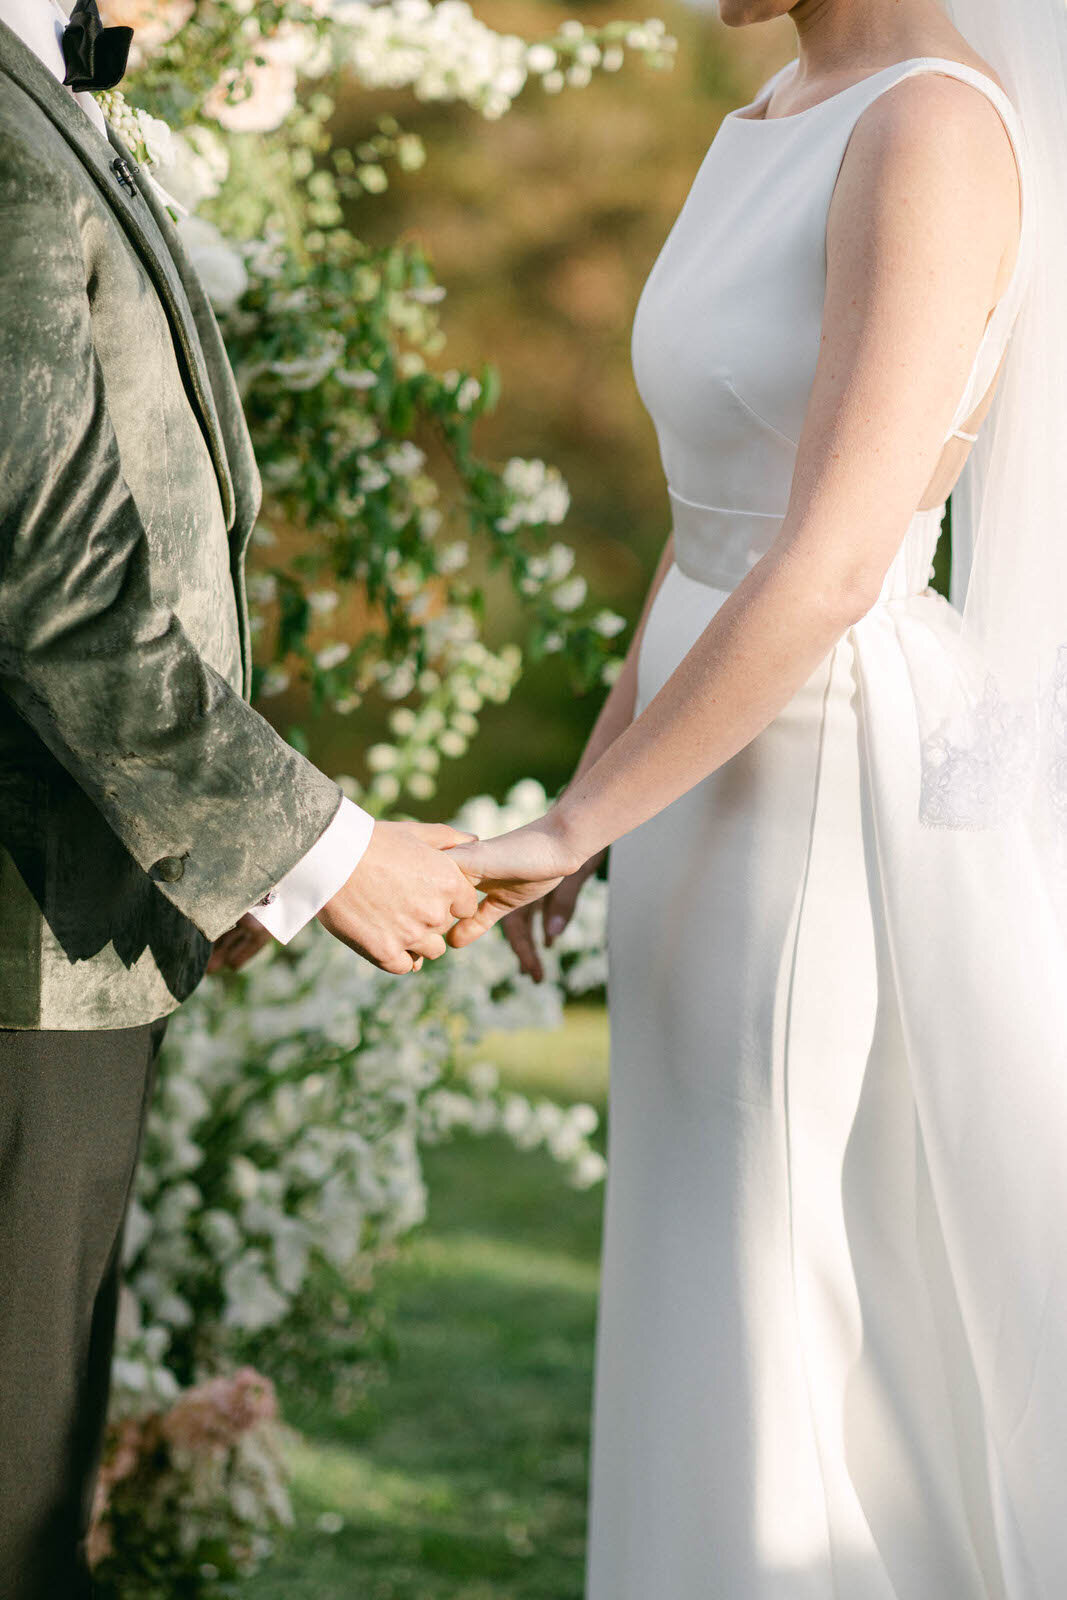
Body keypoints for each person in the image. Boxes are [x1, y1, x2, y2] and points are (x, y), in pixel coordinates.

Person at [449, 0, 1067, 1591]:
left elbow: (832, 557)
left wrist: (574, 822)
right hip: (697, 765)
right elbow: (709, 511)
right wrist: (598, 794)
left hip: (812, 771)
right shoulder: (788, 102)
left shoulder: (931, 128)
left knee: (776, 1266)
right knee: (701, 1251)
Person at [0, 1, 480, 1592]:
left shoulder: (41, 105)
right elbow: (49, 584)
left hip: (78, 905)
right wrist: (309, 856)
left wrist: (218, 865)